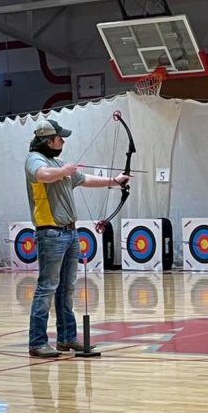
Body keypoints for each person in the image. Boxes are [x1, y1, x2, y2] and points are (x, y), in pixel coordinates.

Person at [26, 119, 130, 358]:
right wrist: (64, 171)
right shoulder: (35, 159)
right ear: (47, 140)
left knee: (66, 288)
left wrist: (114, 181)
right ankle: (37, 342)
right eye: (59, 138)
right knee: (47, 288)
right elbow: (42, 175)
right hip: (50, 232)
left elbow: (84, 179)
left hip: (70, 233)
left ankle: (67, 338)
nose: (63, 141)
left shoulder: (58, 163)